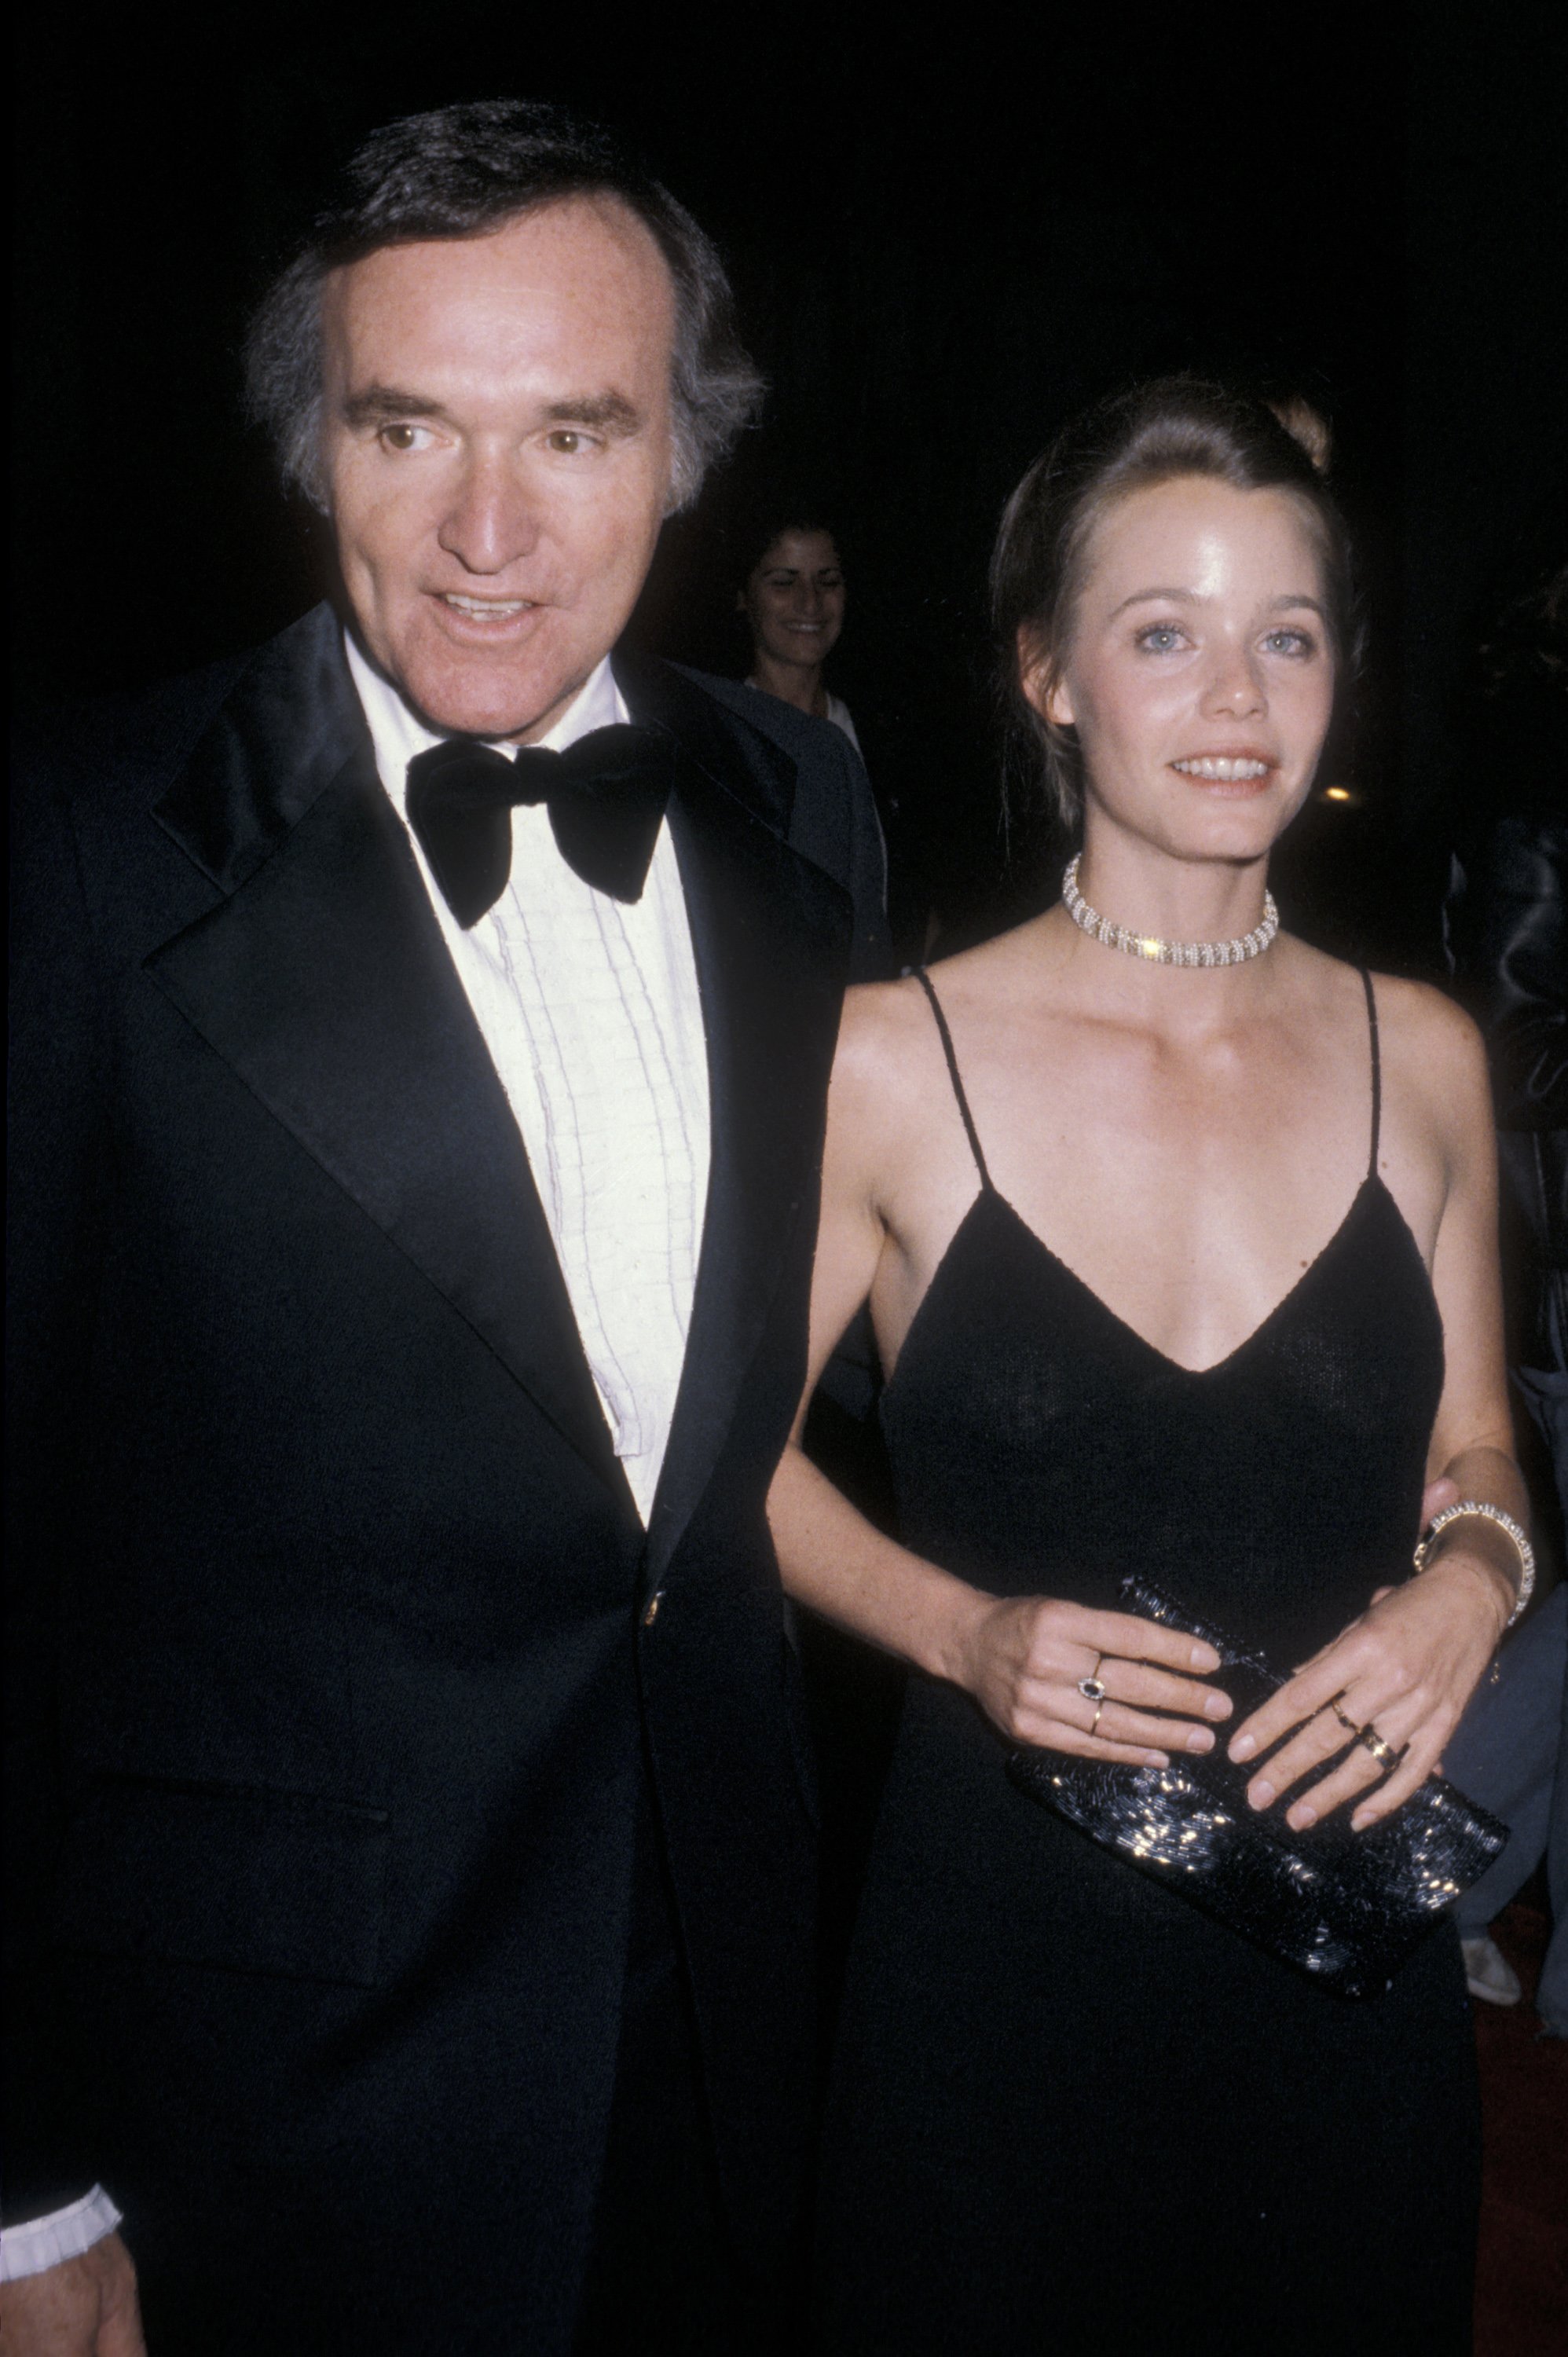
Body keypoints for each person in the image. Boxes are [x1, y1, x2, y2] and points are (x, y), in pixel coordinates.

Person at [3, 100, 888, 2357]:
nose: (488, 531)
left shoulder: (797, 810)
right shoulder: (83, 850)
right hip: (276, 2099)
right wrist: (19, 2184)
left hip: (721, 2060)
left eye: (575, 432)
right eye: (410, 428)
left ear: (684, 457)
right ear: (316, 446)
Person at [766, 379, 1531, 2353]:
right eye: (1164, 633)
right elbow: (721, 1474)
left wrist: (1475, 1576)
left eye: (1288, 635)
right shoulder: (883, 1062)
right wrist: (959, 1635)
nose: (1237, 697)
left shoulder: (1421, 1051)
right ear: (1047, 676)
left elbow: (1475, 1444)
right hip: (989, 1975)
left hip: (1342, 1974)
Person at [738, 515, 861, 750]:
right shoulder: (714, 730)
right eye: (784, 582)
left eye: (828, 581)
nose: (810, 604)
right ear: (743, 596)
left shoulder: (881, 729)